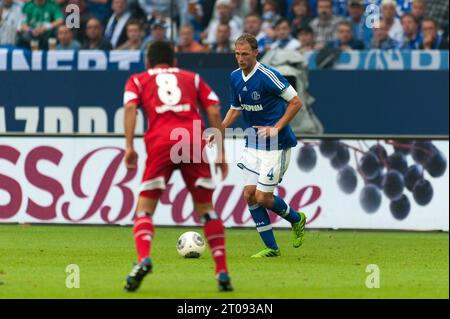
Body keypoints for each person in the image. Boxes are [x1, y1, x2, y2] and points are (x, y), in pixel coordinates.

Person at [122, 40, 232, 292]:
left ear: (147, 62)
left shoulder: (138, 80)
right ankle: (222, 272)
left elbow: (130, 107)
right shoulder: (191, 78)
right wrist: (221, 151)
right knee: (206, 210)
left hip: (161, 140)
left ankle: (144, 259)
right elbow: (214, 110)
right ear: (174, 61)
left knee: (145, 209)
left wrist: (129, 146)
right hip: (191, 137)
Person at [216, 33, 307, 258]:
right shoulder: (235, 77)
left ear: (256, 53)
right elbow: (236, 107)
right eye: (237, 54)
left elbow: (296, 102)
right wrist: (220, 128)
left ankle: (297, 219)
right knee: (249, 195)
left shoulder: (268, 76)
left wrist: (276, 127)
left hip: (276, 144)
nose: (240, 58)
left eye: (245, 54)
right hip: (253, 142)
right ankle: (272, 248)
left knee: (263, 197)